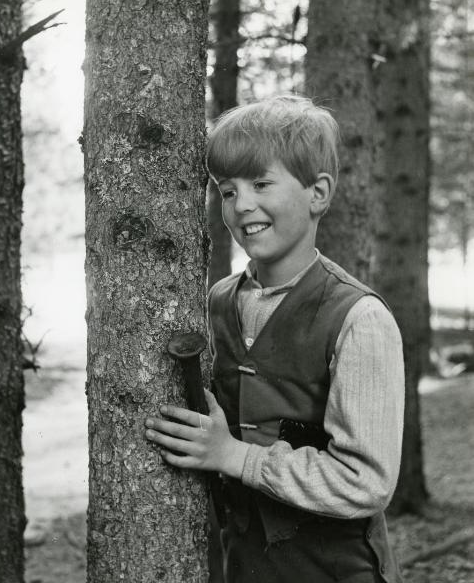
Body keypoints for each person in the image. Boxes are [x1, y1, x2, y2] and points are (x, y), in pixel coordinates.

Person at [145, 94, 405, 583]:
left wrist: (235, 456)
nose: (242, 204)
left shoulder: (359, 318)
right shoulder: (219, 302)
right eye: (226, 190)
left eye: (261, 182)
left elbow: (366, 481)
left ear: (318, 193)